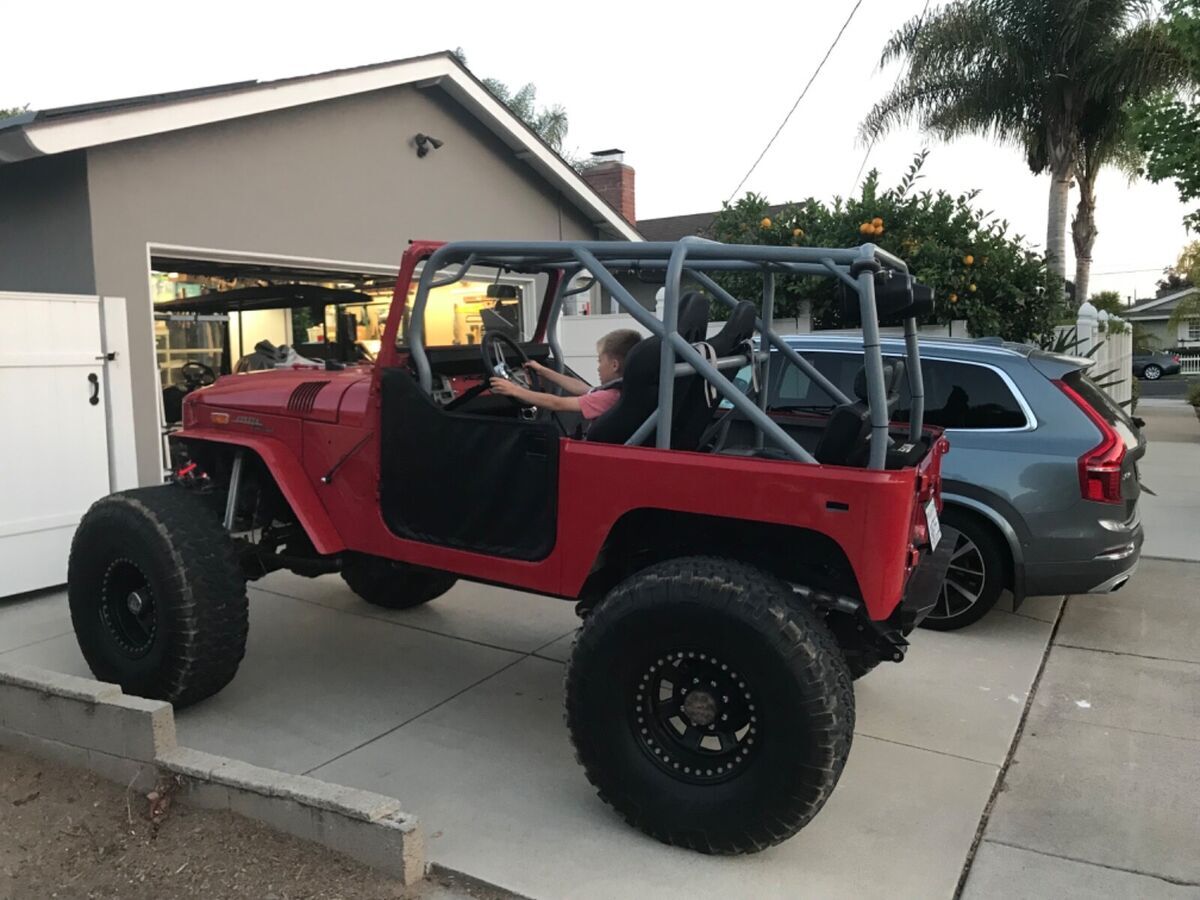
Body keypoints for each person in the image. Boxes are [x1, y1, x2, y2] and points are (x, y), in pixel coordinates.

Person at [489, 329, 641, 422]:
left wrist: (514, 390)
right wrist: (543, 370)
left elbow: (557, 403)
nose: (598, 368)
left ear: (614, 365)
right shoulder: (621, 391)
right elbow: (581, 388)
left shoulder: (608, 397)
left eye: (600, 361)